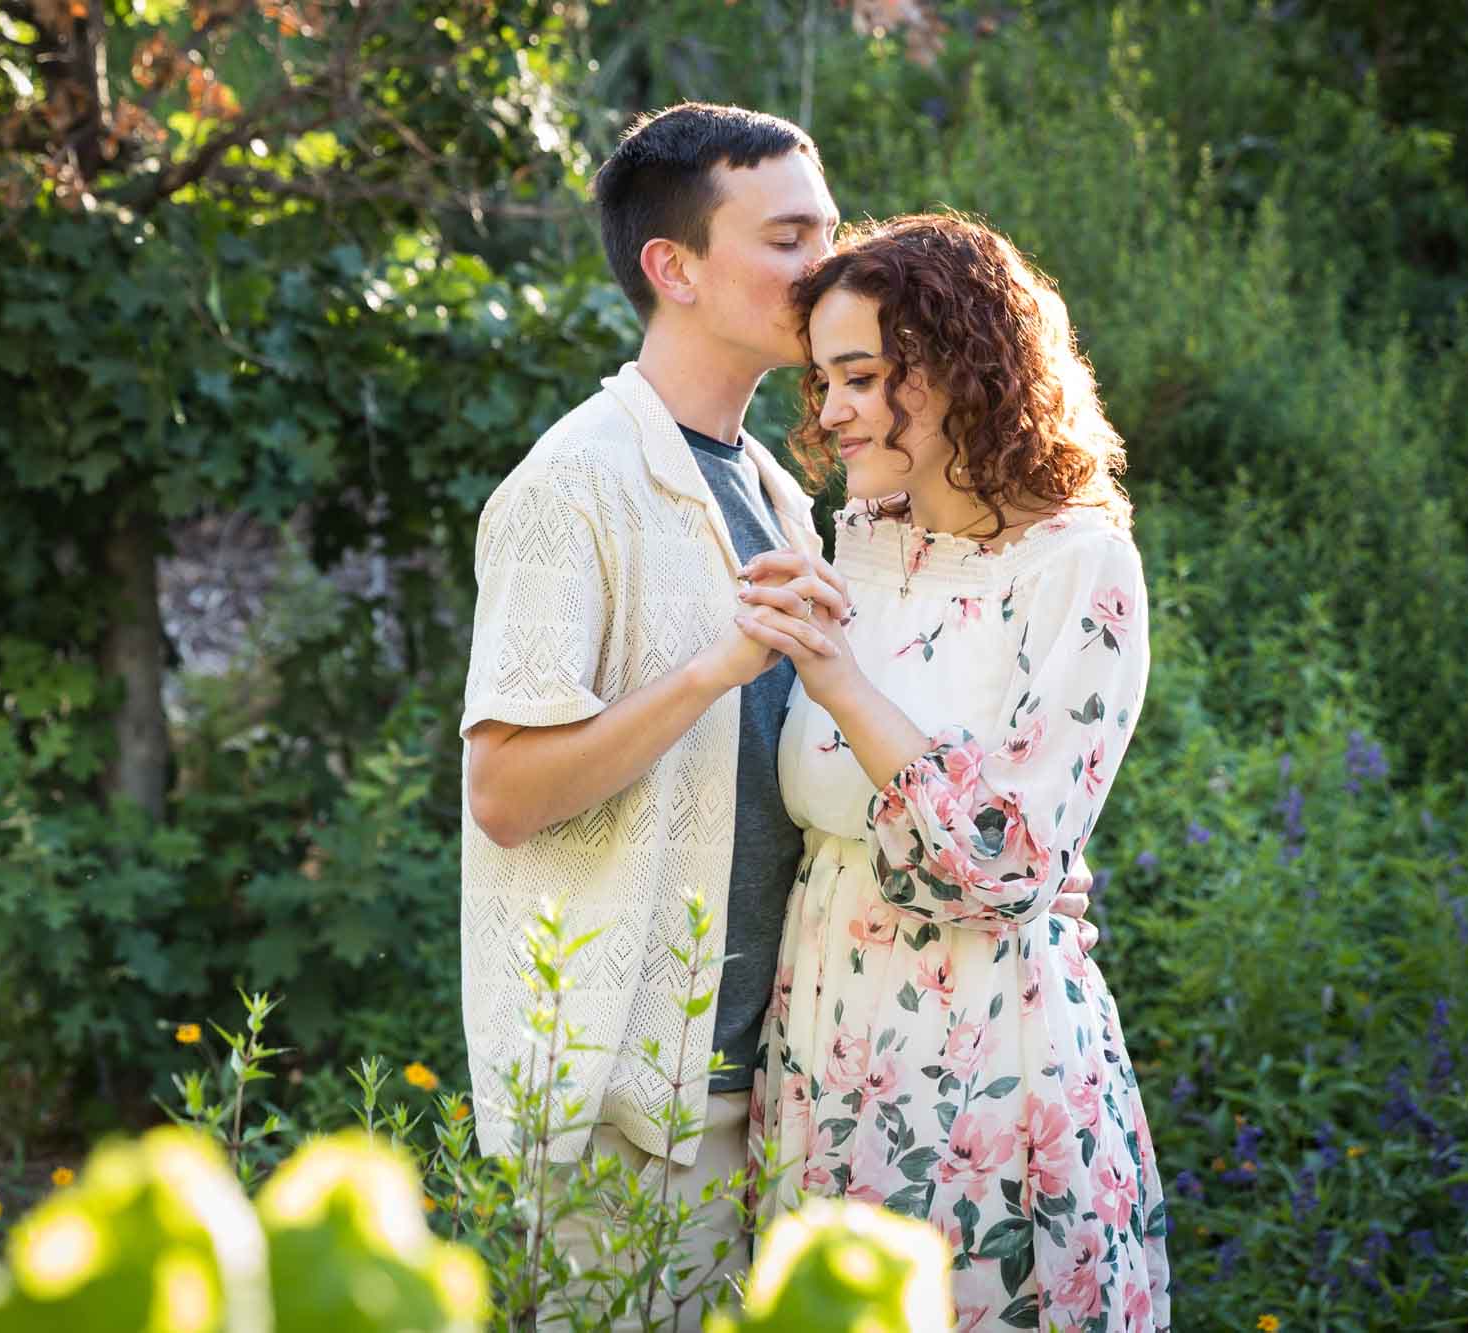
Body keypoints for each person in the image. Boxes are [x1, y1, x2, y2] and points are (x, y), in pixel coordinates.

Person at [458, 105, 1095, 1326]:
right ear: (673, 267)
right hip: (633, 1099)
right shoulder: (568, 486)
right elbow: (505, 794)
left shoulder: (775, 493)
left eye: (827, 231)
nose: (824, 267)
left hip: (796, 1082)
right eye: (788, 237)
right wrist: (713, 666)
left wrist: (1021, 860)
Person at [734, 213, 1172, 1330]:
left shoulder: (1081, 566)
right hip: (823, 1047)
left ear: (956, 365)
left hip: (989, 1065)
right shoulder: (862, 537)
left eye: (860, 377)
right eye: (824, 379)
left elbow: (1009, 864)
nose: (828, 413)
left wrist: (842, 686)